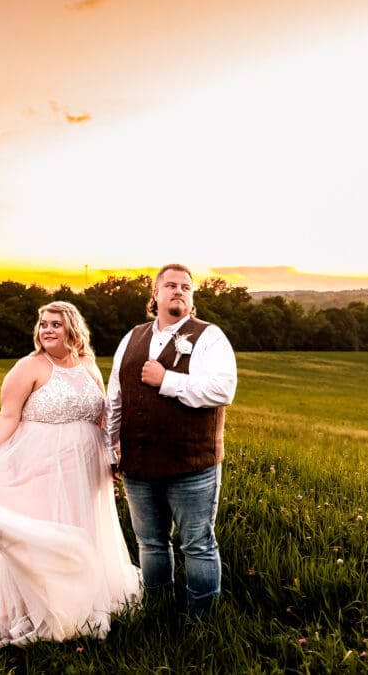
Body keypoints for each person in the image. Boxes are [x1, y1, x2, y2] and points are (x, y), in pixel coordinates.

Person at [0, 301, 141, 647]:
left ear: (72, 328)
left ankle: (83, 603)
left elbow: (101, 416)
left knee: (83, 529)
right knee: (44, 531)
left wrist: (112, 456)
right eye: (43, 324)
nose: (47, 330)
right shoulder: (29, 367)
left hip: (86, 466)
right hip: (41, 463)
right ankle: (34, 607)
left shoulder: (88, 366)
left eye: (55, 324)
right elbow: (8, 416)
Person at [106, 264, 237, 619]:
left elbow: (222, 390)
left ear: (191, 298)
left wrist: (167, 380)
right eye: (171, 285)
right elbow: (116, 396)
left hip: (192, 463)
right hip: (139, 463)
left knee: (197, 544)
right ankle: (158, 612)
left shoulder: (209, 337)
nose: (179, 290)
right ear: (156, 294)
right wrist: (110, 446)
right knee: (150, 543)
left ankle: (202, 623)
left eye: (186, 287)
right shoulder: (131, 338)